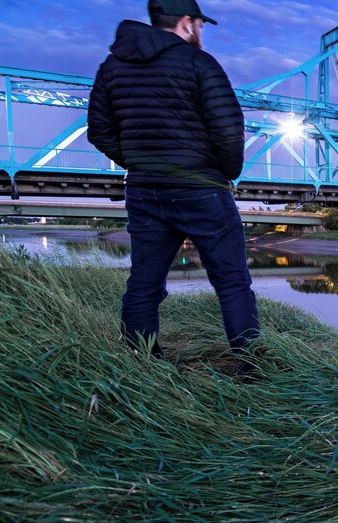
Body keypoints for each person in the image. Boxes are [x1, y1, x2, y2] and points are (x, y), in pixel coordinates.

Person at [88, 0, 260, 370]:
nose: (201, 31)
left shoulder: (111, 67)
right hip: (201, 187)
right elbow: (229, 131)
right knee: (232, 282)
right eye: (200, 24)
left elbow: (99, 131)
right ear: (186, 22)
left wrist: (141, 162)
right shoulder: (199, 63)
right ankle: (251, 367)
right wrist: (226, 172)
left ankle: (143, 364)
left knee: (144, 283)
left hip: (144, 190)